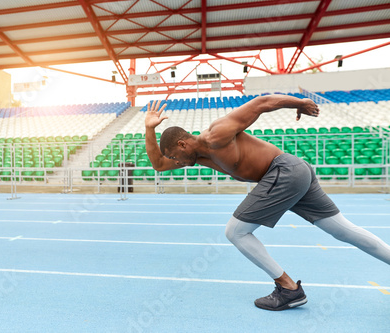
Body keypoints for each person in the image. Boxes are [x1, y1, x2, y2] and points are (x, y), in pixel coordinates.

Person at [144, 95, 390, 311]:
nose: (176, 162)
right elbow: (157, 164)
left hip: (283, 171)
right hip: (293, 172)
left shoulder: (216, 133)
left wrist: (300, 102)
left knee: (235, 232)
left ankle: (289, 289)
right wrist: (149, 129)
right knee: (344, 231)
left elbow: (260, 104)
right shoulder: (199, 157)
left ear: (182, 144)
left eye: (175, 156)